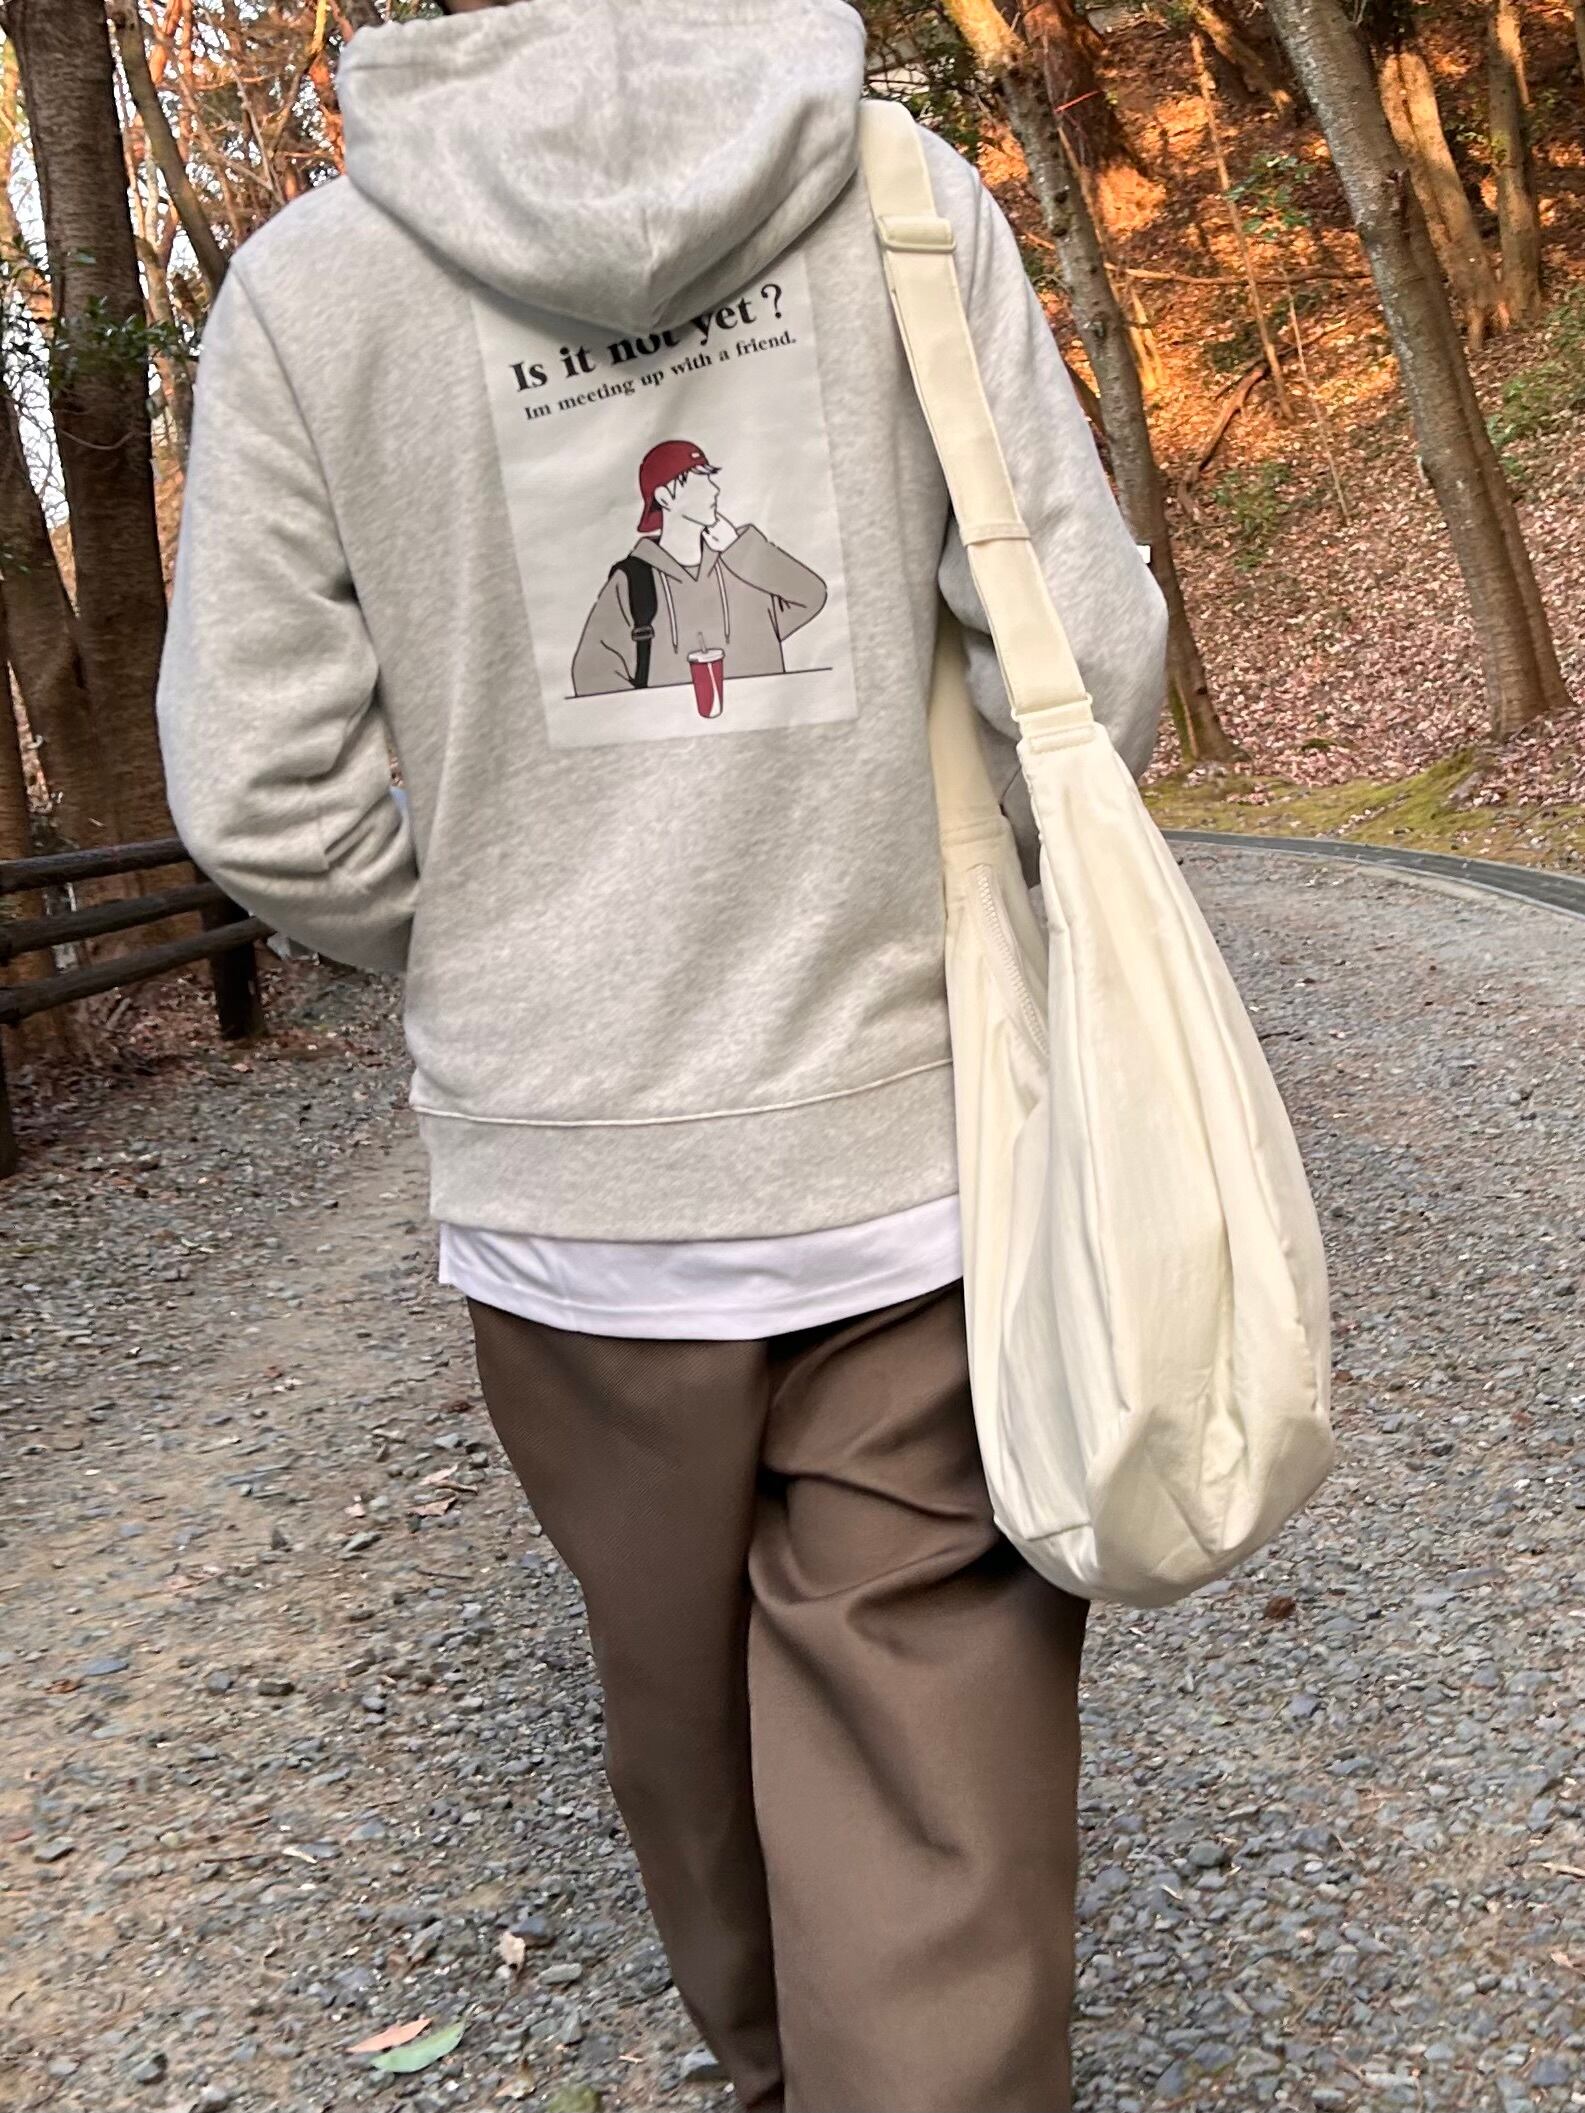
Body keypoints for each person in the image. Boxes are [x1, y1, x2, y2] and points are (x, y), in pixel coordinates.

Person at [156, 2, 1169, 2107]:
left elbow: (264, 798)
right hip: (915, 1150)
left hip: (571, 1203)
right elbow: (1086, 659)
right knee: (927, 1736)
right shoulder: (897, 198)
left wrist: (498, 955)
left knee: (679, 1703)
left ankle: (786, 2059)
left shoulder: (313, 290)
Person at [572, 438, 829, 698]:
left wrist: (740, 549)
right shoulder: (632, 581)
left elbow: (811, 595)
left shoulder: (742, 560)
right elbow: (592, 674)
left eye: (710, 479)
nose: (714, 490)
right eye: (699, 482)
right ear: (665, 497)